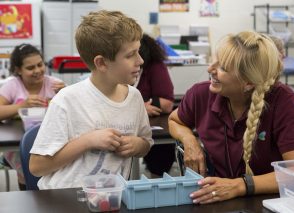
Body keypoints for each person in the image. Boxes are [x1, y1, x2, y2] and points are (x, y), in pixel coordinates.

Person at [168, 31, 294, 203]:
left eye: (222, 67)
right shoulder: (200, 94)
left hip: (270, 203)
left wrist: (240, 186)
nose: (209, 69)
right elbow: (174, 120)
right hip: (217, 199)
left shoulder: (284, 102)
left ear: (248, 83)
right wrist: (189, 140)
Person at [29, 10, 153, 189]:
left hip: (108, 198)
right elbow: (37, 166)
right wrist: (88, 141)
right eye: (130, 55)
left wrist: (137, 145)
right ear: (101, 63)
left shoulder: (134, 97)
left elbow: (146, 143)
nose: (140, 60)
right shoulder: (67, 100)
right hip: (65, 199)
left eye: (138, 52)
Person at [0, 43, 65, 190]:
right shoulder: (13, 86)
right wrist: (21, 106)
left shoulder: (54, 85)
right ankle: (26, 188)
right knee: (29, 177)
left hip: (50, 142)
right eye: (30, 68)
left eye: (40, 65)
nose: (37, 71)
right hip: (19, 144)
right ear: (18, 70)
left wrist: (65, 94)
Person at [136, 33, 175, 178]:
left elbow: (167, 104)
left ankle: (155, 182)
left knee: (160, 153)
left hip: (153, 124)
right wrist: (140, 106)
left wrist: (140, 106)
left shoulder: (155, 66)